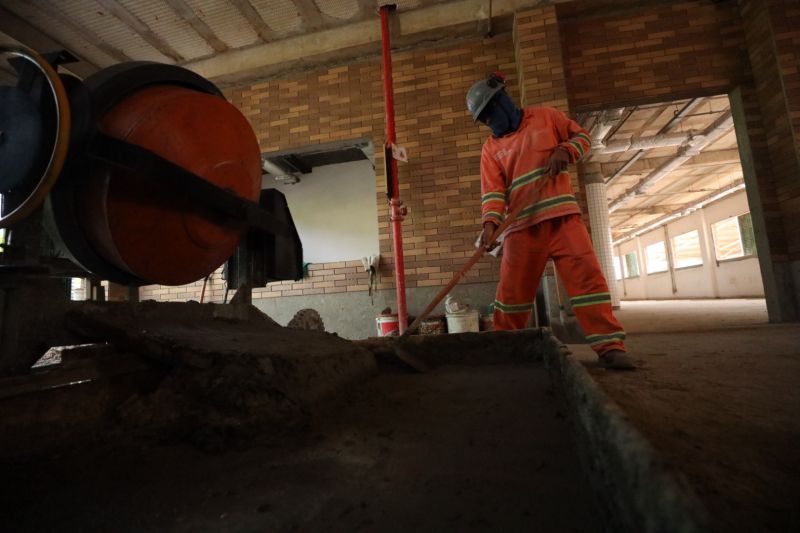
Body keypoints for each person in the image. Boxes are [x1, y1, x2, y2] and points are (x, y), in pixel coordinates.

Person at [466, 72, 635, 370]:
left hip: (563, 221)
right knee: (511, 295)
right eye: (484, 119)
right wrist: (490, 225)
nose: (489, 122)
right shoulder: (491, 149)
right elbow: (493, 192)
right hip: (521, 228)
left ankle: (610, 346)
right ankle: (506, 348)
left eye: (490, 113)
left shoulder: (548, 118)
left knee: (588, 283)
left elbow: (582, 138)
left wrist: (565, 150)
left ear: (503, 101)